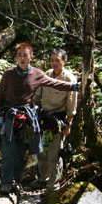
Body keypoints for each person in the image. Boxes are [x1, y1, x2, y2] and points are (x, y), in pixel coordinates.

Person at [0, 43, 79, 195]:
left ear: (31, 57)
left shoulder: (38, 74)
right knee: (8, 150)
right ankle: (6, 183)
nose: (22, 58)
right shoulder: (8, 74)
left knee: (22, 152)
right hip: (9, 117)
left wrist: (74, 87)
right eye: (19, 55)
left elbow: (55, 84)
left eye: (25, 55)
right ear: (16, 57)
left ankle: (15, 182)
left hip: (27, 120)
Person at [33, 47, 78, 192]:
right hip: (43, 117)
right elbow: (37, 96)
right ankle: (42, 179)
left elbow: (72, 105)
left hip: (59, 118)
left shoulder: (69, 79)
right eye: (52, 60)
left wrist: (68, 124)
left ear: (64, 61)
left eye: (57, 60)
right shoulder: (46, 75)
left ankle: (53, 184)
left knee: (55, 153)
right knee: (41, 151)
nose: (54, 63)